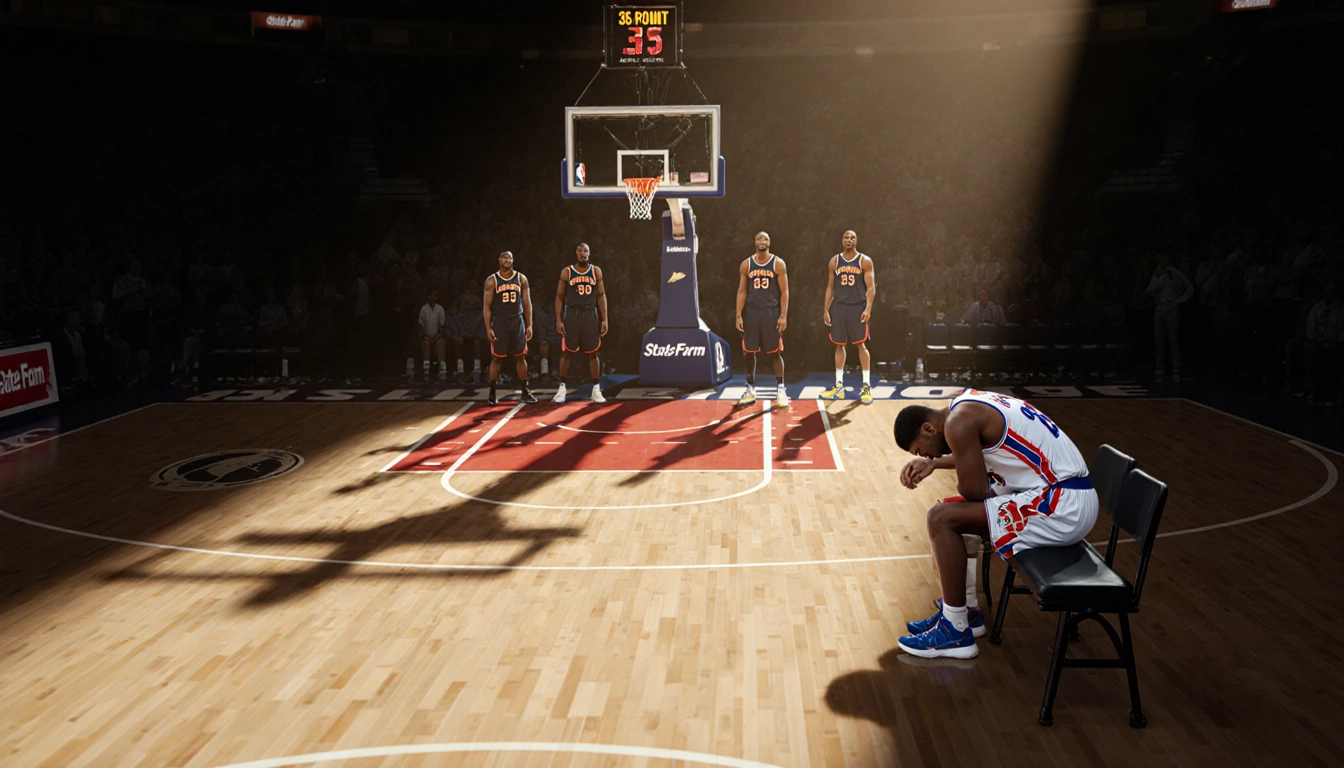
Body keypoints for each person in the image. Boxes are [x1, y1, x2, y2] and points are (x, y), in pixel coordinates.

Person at [892, 390, 1098, 658]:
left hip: (1063, 505)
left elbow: (974, 490)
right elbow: (974, 454)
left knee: (941, 518)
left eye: (923, 451)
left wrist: (961, 477)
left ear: (928, 428)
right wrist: (937, 464)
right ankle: (965, 612)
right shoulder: (964, 405)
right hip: (1064, 494)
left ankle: (955, 631)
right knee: (945, 510)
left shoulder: (958, 423)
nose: (928, 457)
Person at [734, 231, 789, 409]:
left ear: (769, 242)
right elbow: (742, 291)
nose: (762, 241)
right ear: (755, 242)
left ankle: (781, 388)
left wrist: (783, 315)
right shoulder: (747, 264)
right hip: (751, 312)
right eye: (759, 239)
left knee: (775, 352)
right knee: (749, 352)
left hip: (770, 312)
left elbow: (785, 292)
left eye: (765, 239)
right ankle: (750, 388)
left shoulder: (778, 263)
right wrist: (738, 314)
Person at [821, 230, 876, 404]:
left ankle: (866, 386)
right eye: (846, 237)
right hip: (839, 306)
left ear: (856, 241)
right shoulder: (835, 261)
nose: (849, 239)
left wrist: (868, 308)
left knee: (861, 344)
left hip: (857, 306)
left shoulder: (864, 261)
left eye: (852, 237)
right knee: (839, 345)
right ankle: (839, 386)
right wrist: (826, 310)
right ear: (842, 240)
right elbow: (830, 287)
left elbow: (871, 288)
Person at [553, 242, 608, 403]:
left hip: (590, 312)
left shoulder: (596, 271)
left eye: (585, 251)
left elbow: (601, 295)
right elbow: (560, 297)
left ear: (589, 254)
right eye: (580, 251)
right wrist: (558, 319)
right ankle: (562, 387)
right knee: (567, 351)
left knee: (593, 352)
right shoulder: (567, 272)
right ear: (576, 253)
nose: (583, 253)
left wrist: (604, 318)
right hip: (572, 313)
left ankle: (596, 389)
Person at [482, 252, 537, 405]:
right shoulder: (492, 280)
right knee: (497, 358)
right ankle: (492, 392)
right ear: (499, 260)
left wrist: (529, 324)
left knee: (521, 356)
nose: (507, 260)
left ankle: (525, 391)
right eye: (504, 257)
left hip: (517, 320)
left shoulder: (521, 278)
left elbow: (527, 303)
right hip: (500, 321)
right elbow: (486, 306)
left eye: (510, 257)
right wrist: (488, 328)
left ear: (513, 260)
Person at [1147, 252, 1193, 380]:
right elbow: (1151, 289)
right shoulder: (1157, 273)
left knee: (1173, 340)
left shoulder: (1174, 273)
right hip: (1159, 309)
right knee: (1159, 340)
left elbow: (1189, 288)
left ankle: (1176, 367)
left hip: (1171, 309)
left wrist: (1178, 301)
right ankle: (1160, 367)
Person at [418, 288, 448, 382]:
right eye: (431, 295)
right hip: (427, 336)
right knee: (426, 344)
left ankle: (442, 369)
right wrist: (427, 336)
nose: (433, 297)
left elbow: (442, 326)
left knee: (441, 343)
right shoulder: (424, 309)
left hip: (437, 336)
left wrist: (437, 336)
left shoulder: (440, 309)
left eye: (435, 295)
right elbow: (421, 326)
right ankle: (426, 369)